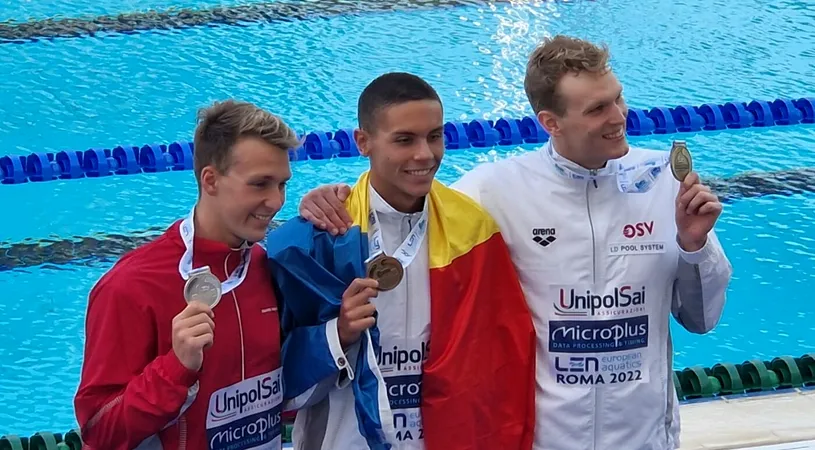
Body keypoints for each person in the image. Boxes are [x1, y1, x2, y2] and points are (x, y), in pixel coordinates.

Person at [297, 36, 734, 450]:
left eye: (617, 97)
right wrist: (332, 199)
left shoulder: (663, 183)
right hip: (546, 439)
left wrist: (696, 247)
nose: (619, 116)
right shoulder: (494, 191)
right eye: (598, 108)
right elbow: (407, 200)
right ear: (551, 122)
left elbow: (701, 319)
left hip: (642, 437)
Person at [264, 72, 537, 450]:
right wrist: (337, 335)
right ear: (363, 142)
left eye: (435, 136)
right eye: (405, 140)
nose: (424, 154)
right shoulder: (323, 237)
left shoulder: (474, 231)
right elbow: (276, 384)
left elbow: (502, 365)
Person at [74, 100, 301, 450]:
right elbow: (100, 430)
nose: (276, 201)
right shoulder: (132, 287)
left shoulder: (268, 269)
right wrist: (176, 368)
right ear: (210, 180)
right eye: (260, 184)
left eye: (282, 184)